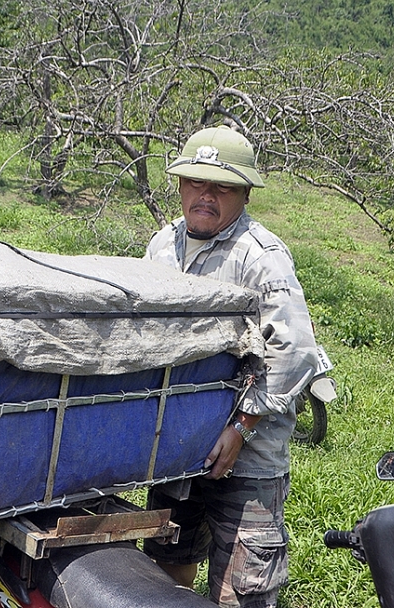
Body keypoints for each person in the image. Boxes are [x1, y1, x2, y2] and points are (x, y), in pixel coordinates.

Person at [142, 125, 319, 608]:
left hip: (246, 461)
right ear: (179, 186)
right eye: (196, 183)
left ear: (244, 194)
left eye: (221, 187)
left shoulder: (261, 259)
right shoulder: (163, 247)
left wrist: (242, 425)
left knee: (239, 591)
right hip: (176, 452)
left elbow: (293, 350)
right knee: (165, 572)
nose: (206, 196)